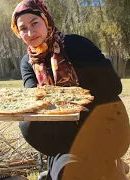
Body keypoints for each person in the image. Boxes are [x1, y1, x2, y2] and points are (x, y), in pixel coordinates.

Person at [11, 0, 130, 179]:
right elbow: (34, 100)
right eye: (23, 28)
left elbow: (114, 85)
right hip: (63, 135)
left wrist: (75, 98)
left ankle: (107, 162)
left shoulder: (74, 44)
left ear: (46, 20)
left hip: (102, 123)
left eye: (34, 23)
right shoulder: (28, 63)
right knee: (28, 124)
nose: (30, 32)